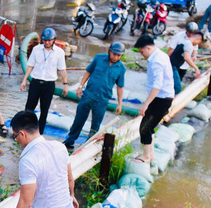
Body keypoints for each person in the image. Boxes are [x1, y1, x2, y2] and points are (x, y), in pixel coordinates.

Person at [63, 42, 126, 150]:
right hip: (88, 94)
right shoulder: (99, 58)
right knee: (79, 119)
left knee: (95, 125)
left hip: (102, 100)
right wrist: (80, 86)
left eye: (119, 55)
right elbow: (88, 72)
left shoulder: (121, 68)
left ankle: (88, 146)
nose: (116, 57)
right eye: (114, 54)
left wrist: (120, 104)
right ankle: (70, 141)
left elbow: (120, 87)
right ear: (109, 51)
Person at [132, 34, 174, 164]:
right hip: (162, 98)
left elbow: (157, 85)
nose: (142, 54)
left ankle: (146, 157)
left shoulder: (156, 61)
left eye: (142, 51)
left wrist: (145, 104)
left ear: (148, 48)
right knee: (149, 127)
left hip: (161, 99)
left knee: (145, 127)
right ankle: (150, 154)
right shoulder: (161, 55)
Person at [20, 28, 68, 135]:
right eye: (45, 40)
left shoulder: (59, 52)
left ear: (54, 40)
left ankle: (39, 134)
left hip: (49, 85)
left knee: (44, 110)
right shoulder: (36, 49)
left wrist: (65, 84)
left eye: (49, 40)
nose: (47, 42)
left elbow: (62, 69)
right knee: (29, 109)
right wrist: (24, 80)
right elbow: (30, 65)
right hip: (35, 82)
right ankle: (26, 131)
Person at [167, 23, 203, 95]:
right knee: (177, 87)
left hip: (183, 64)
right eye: (189, 32)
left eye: (192, 33)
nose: (190, 35)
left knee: (177, 81)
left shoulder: (192, 41)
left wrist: (194, 56)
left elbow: (195, 48)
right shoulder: (180, 37)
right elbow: (172, 49)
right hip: (174, 64)